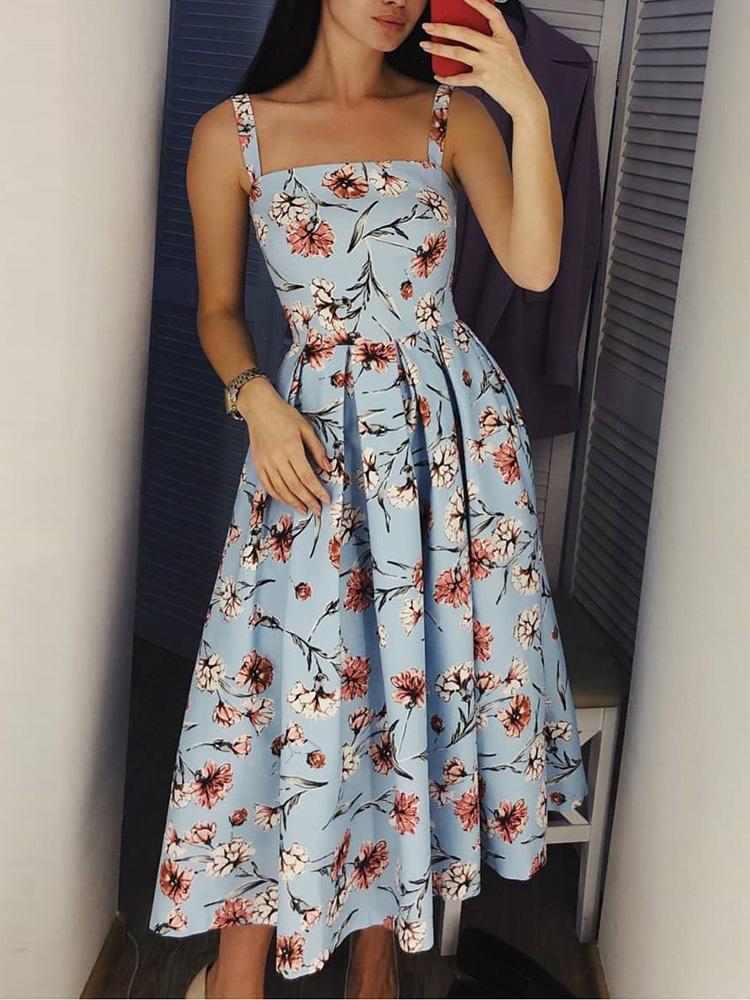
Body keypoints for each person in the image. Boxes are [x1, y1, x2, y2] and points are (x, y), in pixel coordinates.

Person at [148, 1, 588, 997]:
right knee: (275, 695)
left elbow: (535, 265)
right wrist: (254, 396)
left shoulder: (451, 116)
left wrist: (523, 102)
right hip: (313, 448)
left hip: (454, 454)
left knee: (412, 692)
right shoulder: (232, 133)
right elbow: (217, 309)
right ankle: (236, 969)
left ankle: (376, 966)